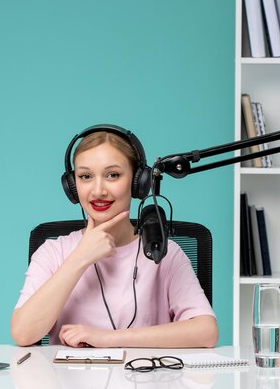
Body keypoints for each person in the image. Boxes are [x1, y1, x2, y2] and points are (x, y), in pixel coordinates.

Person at [11, 125, 218, 348]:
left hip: (143, 380)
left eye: (113, 175)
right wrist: (80, 258)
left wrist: (107, 338)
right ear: (72, 186)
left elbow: (206, 331)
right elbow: (23, 334)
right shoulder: (53, 252)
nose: (98, 190)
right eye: (85, 176)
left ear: (138, 182)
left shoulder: (162, 252)